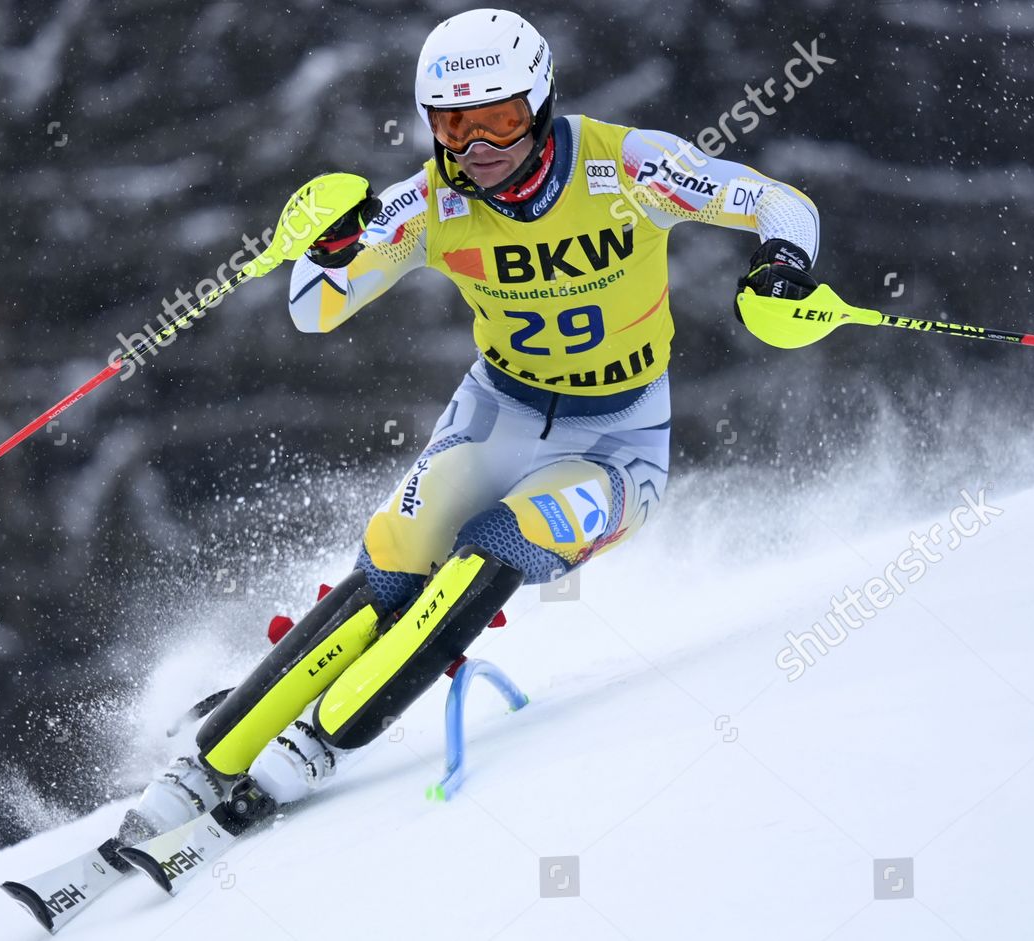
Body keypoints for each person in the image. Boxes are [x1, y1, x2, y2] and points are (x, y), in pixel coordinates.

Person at [120, 7, 822, 840]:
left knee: (502, 540)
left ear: (543, 103)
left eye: (500, 119)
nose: (478, 147)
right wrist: (328, 246)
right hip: (500, 412)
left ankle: (319, 743)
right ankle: (213, 755)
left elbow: (775, 201)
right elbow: (315, 311)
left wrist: (782, 265)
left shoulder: (627, 167)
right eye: (455, 124)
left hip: (619, 441)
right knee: (397, 559)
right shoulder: (430, 201)